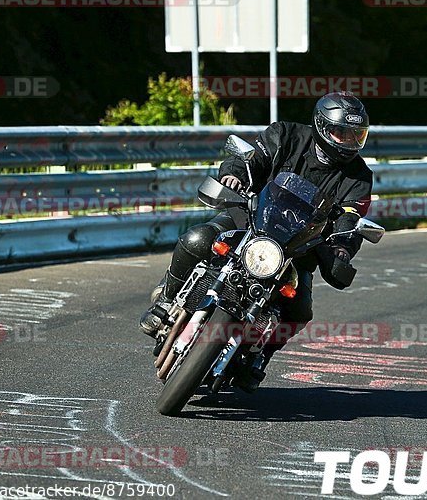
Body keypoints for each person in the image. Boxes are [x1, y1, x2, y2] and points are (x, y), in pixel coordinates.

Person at [140, 90, 373, 386]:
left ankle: (261, 355)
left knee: (299, 309)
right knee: (197, 238)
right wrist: (234, 175)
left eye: (356, 135)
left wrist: (342, 247)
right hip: (250, 219)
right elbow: (251, 159)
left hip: (298, 249)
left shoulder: (359, 176)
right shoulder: (285, 135)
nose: (350, 141)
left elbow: (351, 218)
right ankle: (166, 300)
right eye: (342, 133)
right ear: (322, 127)